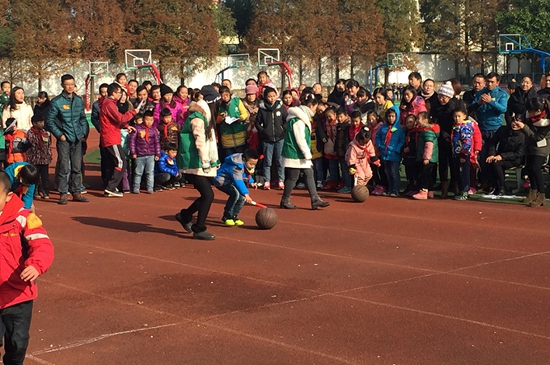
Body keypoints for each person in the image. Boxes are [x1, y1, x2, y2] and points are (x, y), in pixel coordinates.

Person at [0, 170, 54, 365]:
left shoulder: (23, 218)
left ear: (7, 196)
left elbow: (42, 244)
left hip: (18, 295)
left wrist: (35, 265)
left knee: (17, 344)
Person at [175, 86, 220, 240]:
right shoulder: (197, 117)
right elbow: (199, 140)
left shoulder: (204, 116)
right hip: (194, 161)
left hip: (200, 161)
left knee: (205, 195)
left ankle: (185, 215)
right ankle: (199, 228)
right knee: (208, 195)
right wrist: (205, 160)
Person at [280, 96, 330, 210]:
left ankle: (315, 199)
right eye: (315, 108)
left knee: (309, 174)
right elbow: (300, 139)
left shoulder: (299, 118)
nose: (315, 111)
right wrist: (307, 154)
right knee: (293, 176)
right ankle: (285, 200)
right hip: (294, 153)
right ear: (310, 106)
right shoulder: (298, 121)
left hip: (297, 153)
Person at [46, 74, 89, 205]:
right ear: (62, 85)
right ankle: (63, 193)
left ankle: (76, 192)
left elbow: (82, 118)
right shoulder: (57, 101)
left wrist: (83, 133)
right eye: (67, 84)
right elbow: (49, 120)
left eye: (72, 84)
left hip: (77, 138)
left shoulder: (78, 100)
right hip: (64, 139)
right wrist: (60, 135)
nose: (70, 86)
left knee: (77, 167)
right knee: (64, 167)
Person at [99, 83, 138, 197]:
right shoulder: (109, 105)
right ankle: (110, 187)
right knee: (121, 161)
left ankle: (111, 186)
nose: (121, 95)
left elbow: (115, 121)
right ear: (114, 93)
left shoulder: (110, 104)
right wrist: (133, 112)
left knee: (117, 162)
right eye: (119, 93)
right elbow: (120, 118)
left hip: (112, 136)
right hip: (110, 138)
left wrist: (126, 126)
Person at [471, 72, 508, 190]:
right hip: (482, 128)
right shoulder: (480, 93)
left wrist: (491, 102)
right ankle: (485, 181)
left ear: (498, 83)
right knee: (482, 157)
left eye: (492, 82)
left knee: (493, 157)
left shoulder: (502, 94)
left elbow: (503, 109)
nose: (489, 84)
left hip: (496, 129)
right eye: (488, 82)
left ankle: (496, 183)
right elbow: (471, 108)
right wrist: (479, 103)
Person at [430, 81, 466, 198]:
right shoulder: (436, 106)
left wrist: (451, 136)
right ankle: (444, 188)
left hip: (454, 138)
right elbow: (435, 121)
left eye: (444, 97)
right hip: (441, 138)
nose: (442, 99)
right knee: (443, 164)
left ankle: (455, 187)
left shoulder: (454, 107)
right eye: (440, 96)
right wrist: (443, 134)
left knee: (454, 164)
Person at [516, 97, 550, 207]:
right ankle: (533, 191)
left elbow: (537, 137)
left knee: (536, 168)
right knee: (530, 168)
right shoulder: (529, 116)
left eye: (531, 111)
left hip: (542, 147)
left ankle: (541, 194)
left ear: (539, 111)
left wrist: (524, 127)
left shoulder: (546, 121)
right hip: (530, 146)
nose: (528, 113)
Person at [214, 149, 258, 226]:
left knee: (241, 197)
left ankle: (234, 216)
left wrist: (251, 182)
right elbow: (238, 180)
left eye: (254, 164)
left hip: (231, 181)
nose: (252, 166)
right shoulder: (235, 166)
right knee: (235, 194)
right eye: (251, 164)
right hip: (221, 181)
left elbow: (245, 173)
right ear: (244, 160)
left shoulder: (243, 162)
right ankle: (227, 216)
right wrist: (246, 194)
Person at [255, 87, 287, 190]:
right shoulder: (262, 108)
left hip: (280, 138)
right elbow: (257, 122)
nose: (271, 98)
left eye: (273, 96)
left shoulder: (281, 107)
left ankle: (281, 180)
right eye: (269, 96)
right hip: (267, 139)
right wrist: (263, 131)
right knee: (267, 161)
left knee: (279, 161)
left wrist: (283, 129)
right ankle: (267, 181)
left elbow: (286, 120)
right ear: (265, 97)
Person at [450, 108, 482, 200]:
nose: (457, 118)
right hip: (456, 153)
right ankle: (461, 191)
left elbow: (467, 141)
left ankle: (465, 192)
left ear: (464, 116)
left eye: (459, 116)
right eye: (455, 116)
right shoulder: (456, 126)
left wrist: (463, 155)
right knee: (458, 173)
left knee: (464, 173)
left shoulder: (466, 126)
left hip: (463, 155)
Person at [485, 123, 525, 196]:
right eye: (513, 121)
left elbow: (519, 153)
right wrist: (492, 154)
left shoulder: (523, 135)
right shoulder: (503, 130)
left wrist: (502, 156)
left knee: (497, 163)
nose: (514, 124)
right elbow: (493, 141)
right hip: (500, 155)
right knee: (489, 161)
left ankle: (501, 187)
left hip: (515, 160)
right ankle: (494, 185)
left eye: (517, 122)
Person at [376, 106, 405, 197]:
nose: (391, 118)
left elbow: (402, 140)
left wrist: (397, 149)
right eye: (389, 116)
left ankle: (395, 189)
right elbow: (378, 136)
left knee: (394, 172)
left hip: (394, 155)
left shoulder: (399, 128)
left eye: (393, 116)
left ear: (397, 116)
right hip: (385, 154)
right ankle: (389, 189)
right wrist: (380, 146)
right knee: (387, 172)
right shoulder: (383, 127)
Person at [130, 110, 160, 194]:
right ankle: (136, 187)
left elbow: (157, 142)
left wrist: (157, 153)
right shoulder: (137, 128)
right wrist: (133, 152)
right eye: (147, 120)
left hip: (151, 154)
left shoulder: (154, 130)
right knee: (138, 172)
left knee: (150, 172)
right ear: (143, 119)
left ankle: (150, 187)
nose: (149, 122)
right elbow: (132, 141)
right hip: (140, 154)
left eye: (151, 120)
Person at [412, 112, 440, 200]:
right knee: (429, 175)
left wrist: (426, 157)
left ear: (425, 120)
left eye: (418, 119)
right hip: (430, 158)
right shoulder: (424, 131)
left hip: (428, 158)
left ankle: (423, 191)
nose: (417, 121)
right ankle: (430, 191)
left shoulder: (427, 132)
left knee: (424, 175)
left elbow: (429, 145)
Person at [216, 86, 250, 157]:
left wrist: (240, 118)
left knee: (240, 158)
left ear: (229, 93)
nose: (225, 97)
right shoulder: (219, 105)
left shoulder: (236, 101)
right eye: (222, 96)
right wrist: (221, 117)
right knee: (230, 159)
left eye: (226, 95)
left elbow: (244, 113)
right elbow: (217, 121)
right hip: (227, 137)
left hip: (239, 134)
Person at [26, 115, 52, 199]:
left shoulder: (45, 132)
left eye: (43, 122)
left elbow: (48, 144)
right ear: (34, 123)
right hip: (34, 159)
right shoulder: (30, 133)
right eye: (40, 122)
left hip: (44, 159)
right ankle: (35, 191)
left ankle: (45, 191)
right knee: (35, 176)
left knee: (45, 177)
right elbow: (32, 142)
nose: (42, 124)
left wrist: (49, 155)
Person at [402, 114, 419, 196]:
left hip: (414, 157)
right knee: (408, 173)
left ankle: (415, 188)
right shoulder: (405, 132)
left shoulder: (416, 132)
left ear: (415, 122)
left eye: (411, 122)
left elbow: (416, 143)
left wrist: (410, 148)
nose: (409, 124)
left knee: (415, 173)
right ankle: (409, 187)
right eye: (407, 122)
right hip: (407, 157)